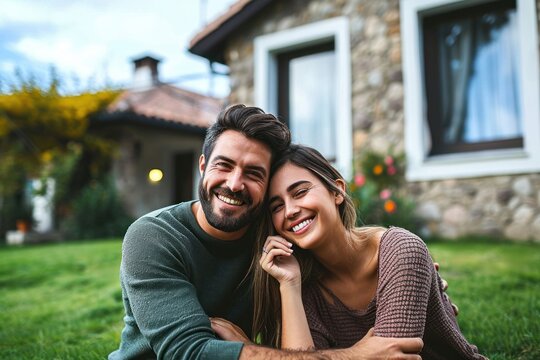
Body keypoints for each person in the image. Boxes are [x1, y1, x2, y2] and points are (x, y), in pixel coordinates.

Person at [109, 104, 424, 359]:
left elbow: (335, 245)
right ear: (203, 166)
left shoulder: (273, 238)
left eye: (253, 173)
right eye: (224, 165)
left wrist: (404, 269)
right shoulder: (153, 236)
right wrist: (354, 356)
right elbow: (189, 352)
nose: (234, 184)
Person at [246, 144, 487, 359]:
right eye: (277, 206)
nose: (290, 211)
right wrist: (289, 286)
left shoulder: (401, 250)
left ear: (337, 191)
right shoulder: (303, 286)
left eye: (300, 192)